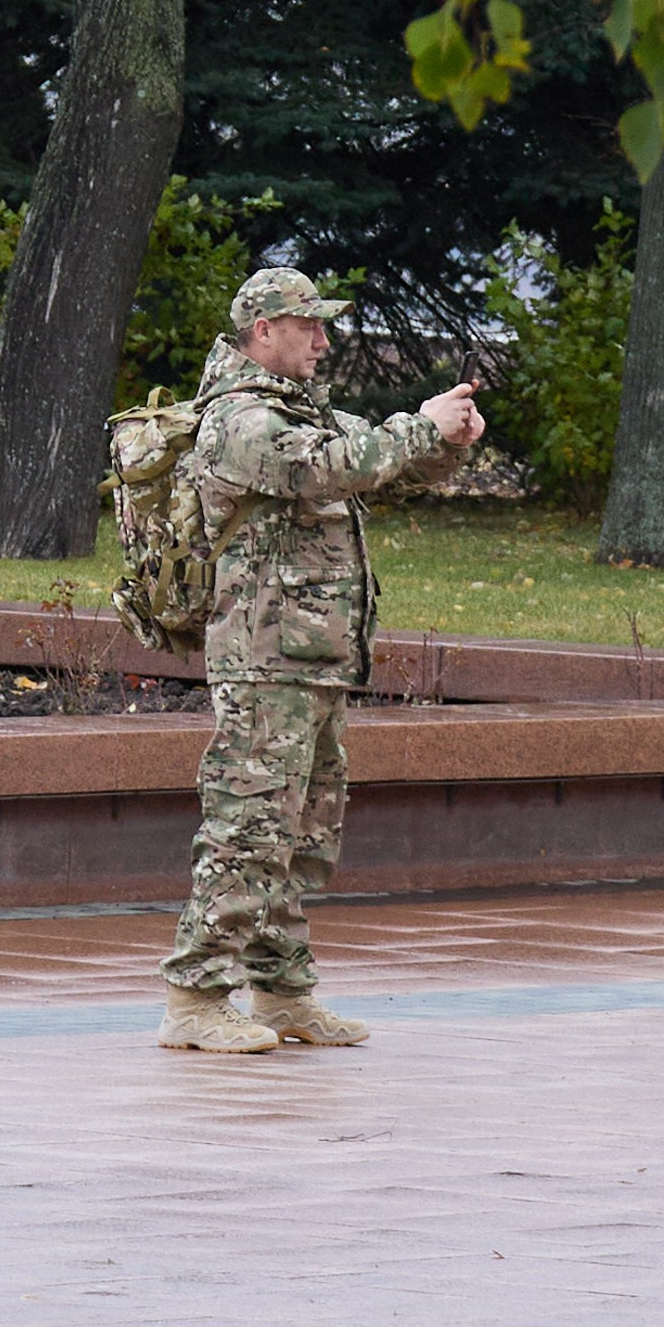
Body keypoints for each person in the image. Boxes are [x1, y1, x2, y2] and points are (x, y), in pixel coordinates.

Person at [158, 268, 484, 1054]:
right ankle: (194, 999)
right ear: (263, 330)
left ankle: (281, 990)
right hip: (265, 659)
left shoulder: (304, 413)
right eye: (310, 326)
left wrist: (446, 443)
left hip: (316, 657)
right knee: (247, 830)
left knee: (303, 834)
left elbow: (376, 466)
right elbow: (325, 467)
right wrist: (419, 424)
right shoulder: (237, 419)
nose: (325, 340)